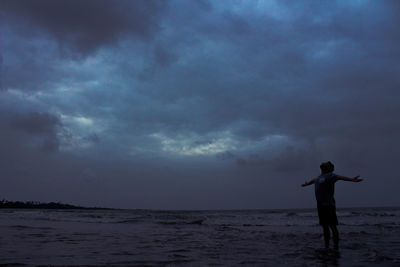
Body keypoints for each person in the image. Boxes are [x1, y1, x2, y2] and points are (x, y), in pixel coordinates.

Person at [301, 161, 363, 250]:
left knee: (332, 226)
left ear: (328, 168)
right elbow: (313, 181)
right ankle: (326, 246)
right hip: (320, 205)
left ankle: (335, 247)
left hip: (329, 205)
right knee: (324, 227)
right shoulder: (318, 177)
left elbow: (341, 177)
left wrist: (352, 179)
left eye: (326, 163)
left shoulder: (331, 176)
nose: (323, 163)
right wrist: (306, 184)